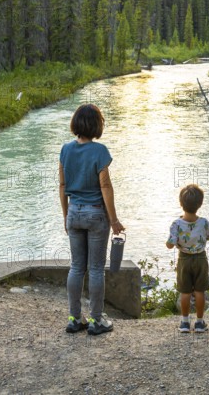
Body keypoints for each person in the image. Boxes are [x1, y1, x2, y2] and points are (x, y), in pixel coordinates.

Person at [59, 104, 125, 335]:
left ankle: (74, 318)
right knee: (96, 268)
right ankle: (97, 321)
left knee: (76, 267)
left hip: (74, 212)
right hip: (96, 213)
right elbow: (105, 185)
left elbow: (63, 185)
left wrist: (66, 214)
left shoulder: (65, 150)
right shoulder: (99, 151)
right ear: (97, 125)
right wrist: (114, 220)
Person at [166, 184, 209, 333]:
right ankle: (199, 322)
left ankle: (185, 323)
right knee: (200, 291)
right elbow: (208, 236)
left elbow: (170, 245)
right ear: (200, 204)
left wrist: (170, 242)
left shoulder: (176, 224)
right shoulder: (204, 222)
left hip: (184, 259)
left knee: (185, 292)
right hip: (200, 259)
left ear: (181, 203)